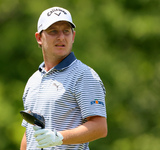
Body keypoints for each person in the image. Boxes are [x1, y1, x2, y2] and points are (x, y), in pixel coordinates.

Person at [20, 6, 107, 150]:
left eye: (66, 31)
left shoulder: (84, 75)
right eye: (53, 31)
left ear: (73, 36)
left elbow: (99, 127)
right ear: (39, 38)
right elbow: (28, 134)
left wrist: (59, 137)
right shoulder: (33, 81)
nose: (61, 37)